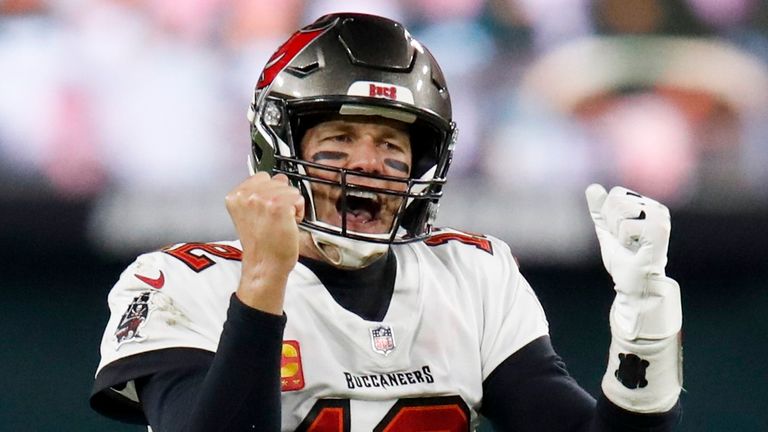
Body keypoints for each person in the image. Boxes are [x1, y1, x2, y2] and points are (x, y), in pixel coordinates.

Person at [90, 13, 683, 431]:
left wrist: (645, 329)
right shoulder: (180, 282)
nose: (368, 164)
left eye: (391, 145)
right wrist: (266, 279)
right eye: (341, 138)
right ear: (279, 150)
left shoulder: (471, 275)